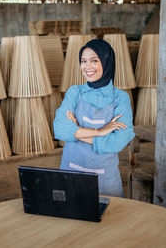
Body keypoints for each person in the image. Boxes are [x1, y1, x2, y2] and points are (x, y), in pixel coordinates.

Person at [53, 38, 135, 197]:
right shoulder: (74, 92)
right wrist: (100, 132)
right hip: (71, 171)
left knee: (110, 219)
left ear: (107, 62)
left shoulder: (120, 98)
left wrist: (76, 131)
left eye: (94, 61)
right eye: (83, 61)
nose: (87, 67)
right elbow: (60, 129)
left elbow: (118, 142)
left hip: (105, 179)